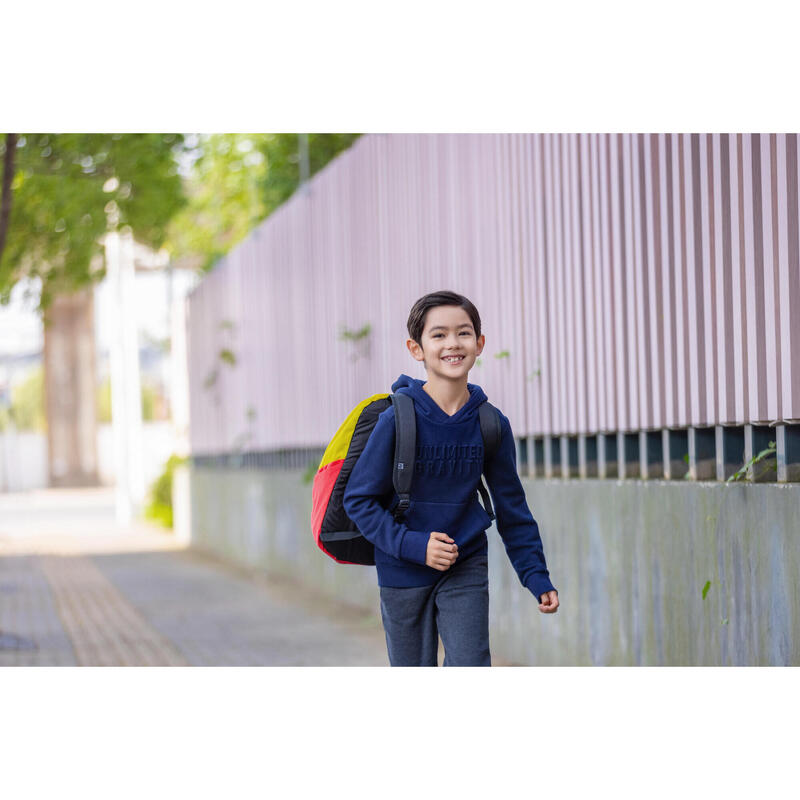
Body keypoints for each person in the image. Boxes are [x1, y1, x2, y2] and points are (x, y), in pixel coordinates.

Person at [343, 290, 559, 667]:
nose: (452, 344)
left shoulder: (490, 423)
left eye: (463, 332)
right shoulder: (397, 420)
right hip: (402, 568)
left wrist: (536, 576)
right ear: (416, 348)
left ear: (479, 343)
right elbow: (358, 500)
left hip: (466, 562)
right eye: (438, 335)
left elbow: (512, 508)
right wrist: (413, 545)